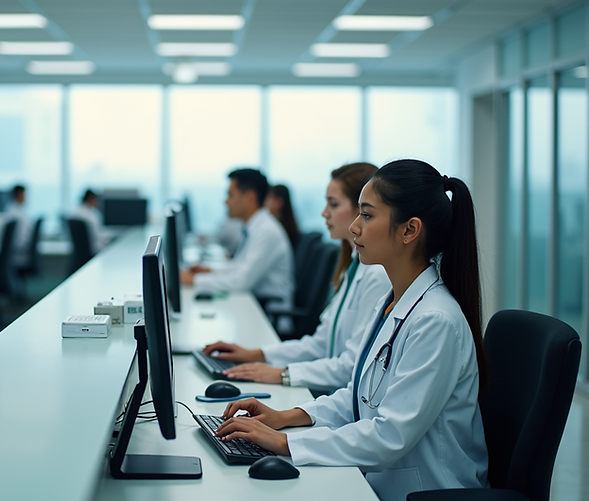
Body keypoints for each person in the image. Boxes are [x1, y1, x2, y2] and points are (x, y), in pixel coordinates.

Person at [213, 159, 489, 501]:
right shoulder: (394, 303)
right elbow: (358, 397)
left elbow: (389, 435)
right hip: (381, 478)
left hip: (425, 489)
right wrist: (284, 417)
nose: (355, 227)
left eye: (368, 215)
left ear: (409, 230)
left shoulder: (436, 321)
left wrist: (286, 442)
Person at [202, 163, 391, 393]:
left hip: (337, 394)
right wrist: (257, 354)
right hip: (330, 390)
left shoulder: (376, 276)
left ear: (361, 211)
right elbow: (321, 344)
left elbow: (351, 365)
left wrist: (281, 373)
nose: (324, 212)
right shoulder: (351, 267)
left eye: (334, 204)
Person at [181, 169, 294, 306]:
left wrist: (194, 280)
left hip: (268, 315)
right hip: (254, 304)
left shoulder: (266, 231)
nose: (226, 202)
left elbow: (242, 281)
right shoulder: (254, 226)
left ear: (250, 198)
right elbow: (240, 266)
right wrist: (209, 271)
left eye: (230, 195)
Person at [71, 188, 110, 253]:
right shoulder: (91, 216)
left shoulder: (75, 212)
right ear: (90, 199)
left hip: (82, 251)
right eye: (97, 200)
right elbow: (97, 235)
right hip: (94, 249)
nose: (98, 202)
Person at [4, 184, 33, 268]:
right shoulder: (15, 213)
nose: (26, 197)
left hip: (19, 251)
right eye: (24, 194)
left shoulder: (16, 211)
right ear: (19, 195)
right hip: (20, 250)